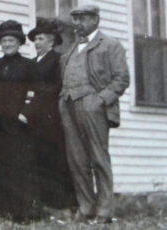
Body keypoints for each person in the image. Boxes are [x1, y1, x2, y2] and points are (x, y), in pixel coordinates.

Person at [58, 5, 129, 223]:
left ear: (96, 20)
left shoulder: (110, 45)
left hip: (93, 105)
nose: (77, 23)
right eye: (75, 19)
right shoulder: (70, 49)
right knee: (77, 160)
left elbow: (121, 78)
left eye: (83, 19)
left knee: (99, 158)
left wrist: (100, 100)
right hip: (69, 106)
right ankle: (86, 208)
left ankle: (105, 211)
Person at [0, 19, 42, 223]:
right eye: (4, 40)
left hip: (17, 126)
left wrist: (25, 114)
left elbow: (37, 93)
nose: (7, 44)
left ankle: (21, 213)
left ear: (19, 42)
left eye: (11, 40)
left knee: (18, 168)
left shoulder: (29, 66)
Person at [24, 18, 77, 215]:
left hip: (50, 117)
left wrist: (35, 92)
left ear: (51, 41)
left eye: (41, 39)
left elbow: (57, 86)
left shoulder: (58, 60)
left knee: (53, 158)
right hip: (32, 118)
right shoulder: (30, 63)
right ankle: (40, 203)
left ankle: (60, 204)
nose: (37, 43)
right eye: (35, 39)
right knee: (36, 158)